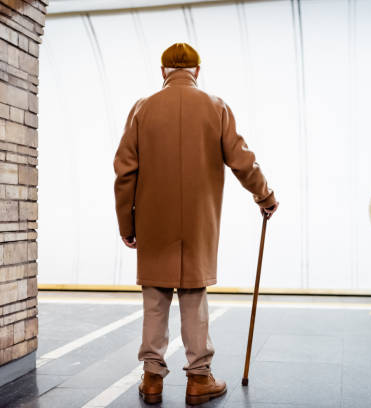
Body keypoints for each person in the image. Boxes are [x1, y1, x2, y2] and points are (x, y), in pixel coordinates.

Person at [113, 42, 278, 405]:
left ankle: (152, 378)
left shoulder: (142, 109)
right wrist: (264, 196)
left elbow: (125, 172)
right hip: (198, 224)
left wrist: (128, 223)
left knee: (155, 297)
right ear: (198, 71)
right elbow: (242, 161)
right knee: (193, 295)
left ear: (162, 72)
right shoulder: (216, 107)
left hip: (154, 223)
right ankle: (199, 379)